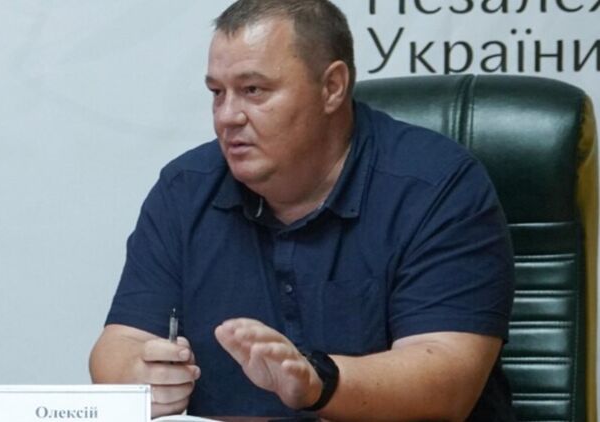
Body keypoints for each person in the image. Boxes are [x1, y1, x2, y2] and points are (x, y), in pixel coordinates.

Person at [89, 0, 516, 420]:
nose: (227, 116)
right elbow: (120, 342)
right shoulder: (185, 189)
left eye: (253, 90)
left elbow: (447, 382)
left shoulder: (436, 186)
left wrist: (317, 383)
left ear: (332, 87)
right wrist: (138, 376)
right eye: (217, 93)